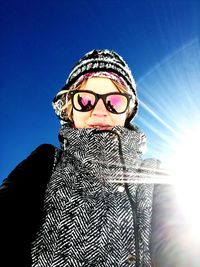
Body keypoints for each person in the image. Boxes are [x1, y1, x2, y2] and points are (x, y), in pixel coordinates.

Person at [0, 49, 196, 267]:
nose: (100, 111)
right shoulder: (47, 161)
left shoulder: (153, 175)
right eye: (85, 100)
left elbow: (180, 248)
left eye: (114, 101)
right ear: (69, 109)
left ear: (127, 112)